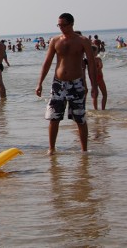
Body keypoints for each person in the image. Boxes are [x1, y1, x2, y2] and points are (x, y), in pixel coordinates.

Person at [35, 13, 98, 154]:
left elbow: (91, 65)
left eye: (64, 25)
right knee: (54, 117)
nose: (61, 28)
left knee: (80, 117)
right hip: (58, 84)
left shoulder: (82, 41)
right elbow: (47, 63)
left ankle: (84, 151)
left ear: (71, 24)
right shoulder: (55, 41)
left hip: (76, 84)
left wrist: (94, 86)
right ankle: (51, 149)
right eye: (59, 25)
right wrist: (39, 83)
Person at [91, 46, 107, 110]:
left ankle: (95, 110)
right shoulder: (98, 59)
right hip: (99, 77)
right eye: (97, 51)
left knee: (95, 96)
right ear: (95, 52)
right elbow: (100, 67)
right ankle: (103, 109)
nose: (97, 52)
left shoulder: (88, 60)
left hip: (93, 78)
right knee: (104, 94)